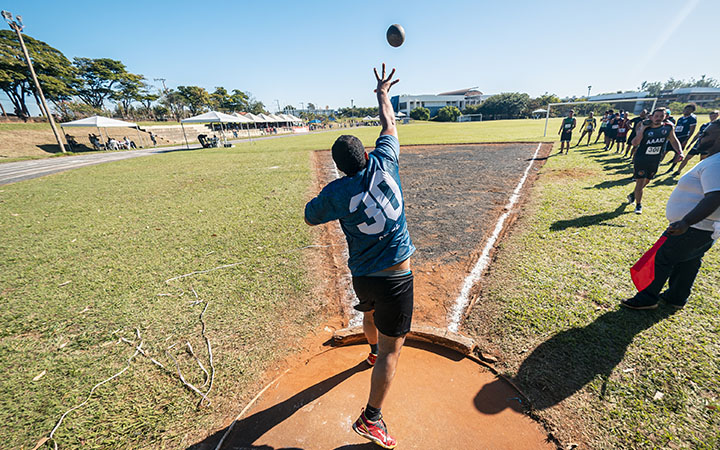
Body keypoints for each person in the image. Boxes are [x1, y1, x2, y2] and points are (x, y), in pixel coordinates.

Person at [304, 63, 413, 449]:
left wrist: (333, 193)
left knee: (368, 315)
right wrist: (382, 93)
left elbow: (309, 216)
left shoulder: (337, 191)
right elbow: (388, 123)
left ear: (340, 167)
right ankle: (372, 418)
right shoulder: (385, 159)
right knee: (392, 351)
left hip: (364, 276)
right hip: (396, 277)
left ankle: (369, 353)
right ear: (366, 153)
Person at [621, 118, 720, 310]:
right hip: (704, 228)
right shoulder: (713, 161)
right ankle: (676, 297)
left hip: (693, 227)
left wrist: (685, 222)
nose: (701, 135)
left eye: (707, 133)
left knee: (663, 259)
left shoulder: (716, 164)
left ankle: (647, 298)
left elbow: (715, 197)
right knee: (689, 262)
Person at [626, 107, 683, 214]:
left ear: (666, 117)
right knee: (640, 181)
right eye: (656, 116)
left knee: (647, 180)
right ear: (651, 116)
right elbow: (635, 143)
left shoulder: (668, 128)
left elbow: (674, 140)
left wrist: (680, 152)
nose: (658, 118)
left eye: (661, 116)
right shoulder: (644, 126)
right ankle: (638, 205)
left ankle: (633, 194)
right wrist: (642, 130)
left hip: (655, 159)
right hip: (641, 158)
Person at [674, 110, 719, 176]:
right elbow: (697, 135)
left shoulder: (717, 127)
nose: (713, 116)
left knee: (702, 162)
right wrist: (690, 143)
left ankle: (700, 174)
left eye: (715, 115)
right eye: (711, 115)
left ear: (718, 116)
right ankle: (678, 171)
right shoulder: (704, 125)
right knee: (686, 158)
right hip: (697, 145)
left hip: (706, 147)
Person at [666, 104, 697, 174]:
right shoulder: (680, 118)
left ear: (692, 111)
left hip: (683, 137)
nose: (686, 110)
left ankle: (672, 167)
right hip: (675, 137)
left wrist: (687, 140)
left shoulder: (692, 119)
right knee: (665, 150)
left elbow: (692, 130)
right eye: (686, 109)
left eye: (689, 109)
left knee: (678, 152)